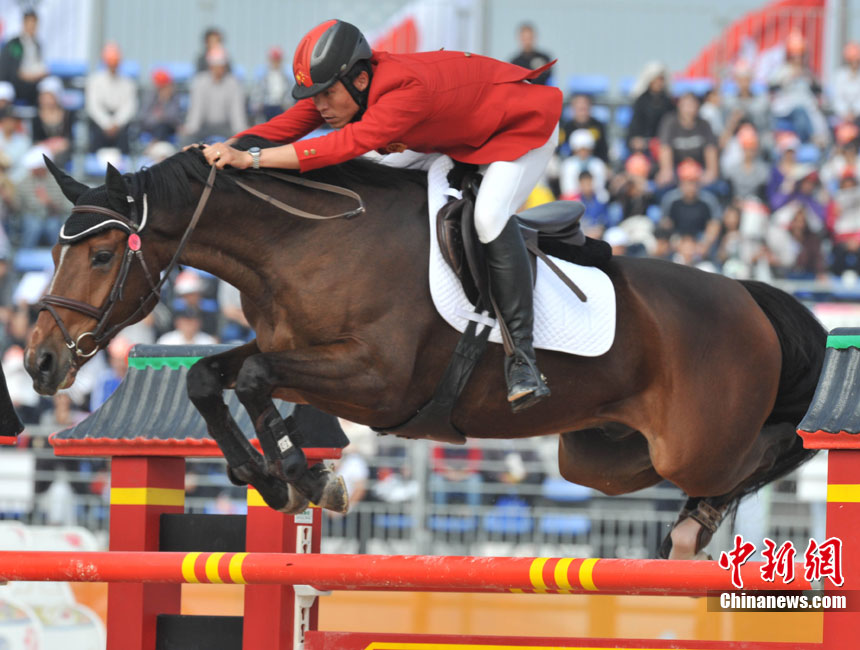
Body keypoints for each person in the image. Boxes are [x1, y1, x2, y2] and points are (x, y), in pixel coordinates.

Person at [203, 19, 562, 411]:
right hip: (459, 134)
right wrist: (225, 148)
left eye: (326, 94)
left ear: (359, 79)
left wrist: (252, 159)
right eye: (315, 96)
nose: (320, 106)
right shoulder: (355, 84)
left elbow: (340, 146)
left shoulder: (405, 94)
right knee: (370, 175)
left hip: (521, 129)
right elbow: (291, 123)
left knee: (489, 218)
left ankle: (523, 359)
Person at [184, 46, 247, 144]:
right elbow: (196, 108)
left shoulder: (233, 83)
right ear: (210, 66)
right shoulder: (200, 82)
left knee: (241, 140)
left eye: (221, 66)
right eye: (216, 66)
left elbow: (236, 110)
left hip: (226, 126)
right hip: (204, 127)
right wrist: (190, 129)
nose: (219, 69)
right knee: (187, 139)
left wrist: (241, 131)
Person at [656, 92, 719, 188]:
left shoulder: (704, 125)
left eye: (692, 105)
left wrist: (711, 172)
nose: (689, 109)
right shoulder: (670, 123)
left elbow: (710, 150)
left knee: (717, 186)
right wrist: (666, 170)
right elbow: (665, 148)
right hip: (676, 172)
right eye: (686, 105)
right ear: (679, 106)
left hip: (699, 171)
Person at [85, 43, 137, 154]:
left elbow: (129, 107)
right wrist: (106, 123)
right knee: (96, 136)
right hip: (100, 123)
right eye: (110, 62)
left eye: (115, 62)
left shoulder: (128, 83)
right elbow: (93, 106)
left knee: (124, 138)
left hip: (120, 124)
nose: (113, 66)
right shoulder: (95, 81)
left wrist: (116, 123)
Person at [627, 61, 675, 158]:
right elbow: (635, 128)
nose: (659, 83)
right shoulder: (641, 102)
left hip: (664, 145)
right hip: (644, 146)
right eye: (656, 79)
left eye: (661, 79)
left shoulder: (668, 102)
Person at [0, 9, 47, 106]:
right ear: (24, 24)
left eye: (34, 24)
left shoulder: (37, 44)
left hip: (33, 84)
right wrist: (30, 76)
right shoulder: (15, 44)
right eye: (29, 23)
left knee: (48, 89)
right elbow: (13, 71)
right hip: (13, 83)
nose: (32, 27)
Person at [31, 76, 72, 168]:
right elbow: (35, 140)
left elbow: (70, 138)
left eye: (49, 96)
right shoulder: (36, 117)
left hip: (63, 151)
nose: (46, 100)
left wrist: (60, 145)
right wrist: (48, 146)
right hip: (43, 150)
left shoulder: (68, 115)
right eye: (44, 96)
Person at [138, 68, 184, 143]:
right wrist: (157, 118)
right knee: (159, 126)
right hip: (151, 126)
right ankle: (155, 144)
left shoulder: (174, 96)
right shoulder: (150, 95)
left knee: (162, 126)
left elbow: (174, 117)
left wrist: (165, 101)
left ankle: (154, 144)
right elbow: (144, 117)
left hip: (168, 127)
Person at [559, 93, 608, 162]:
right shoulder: (566, 127)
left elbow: (603, 150)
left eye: (585, 108)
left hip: (593, 162)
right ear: (573, 108)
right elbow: (560, 149)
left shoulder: (598, 126)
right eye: (580, 109)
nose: (582, 113)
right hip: (569, 162)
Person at [251, 46, 293, 121]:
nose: (275, 62)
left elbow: (289, 93)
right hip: (266, 107)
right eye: (274, 60)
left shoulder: (287, 75)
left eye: (277, 60)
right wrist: (257, 104)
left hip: (281, 107)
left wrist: (288, 104)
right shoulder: (262, 75)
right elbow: (257, 92)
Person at [833, 42, 860, 124]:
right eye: (853, 60)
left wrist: (854, 113)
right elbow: (837, 99)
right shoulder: (840, 76)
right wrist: (845, 113)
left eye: (857, 60)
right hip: (841, 117)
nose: (855, 63)